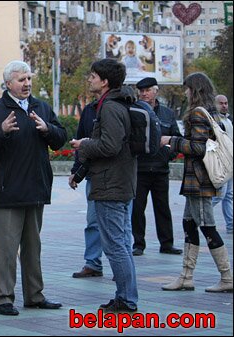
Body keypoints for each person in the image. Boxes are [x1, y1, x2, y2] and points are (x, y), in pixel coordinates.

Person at [0, 60, 67, 316]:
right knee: (5, 248)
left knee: (33, 247)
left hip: (36, 188)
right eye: (21, 80)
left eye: (29, 79)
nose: (27, 84)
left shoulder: (41, 107)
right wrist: (1, 131)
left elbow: (60, 139)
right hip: (8, 190)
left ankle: (35, 296)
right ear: (8, 84)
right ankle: (3, 298)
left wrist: (47, 129)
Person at [70, 58, 138, 312]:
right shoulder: (121, 103)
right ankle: (127, 295)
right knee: (121, 242)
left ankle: (126, 299)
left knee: (115, 245)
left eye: (93, 75)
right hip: (120, 180)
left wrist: (84, 144)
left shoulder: (110, 107)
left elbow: (109, 146)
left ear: (105, 81)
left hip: (110, 183)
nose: (89, 79)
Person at [161, 72, 233, 293]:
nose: (185, 92)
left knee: (207, 227)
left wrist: (172, 141)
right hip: (197, 182)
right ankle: (186, 276)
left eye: (187, 88)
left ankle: (227, 277)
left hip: (200, 181)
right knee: (189, 224)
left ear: (195, 90)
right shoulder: (210, 112)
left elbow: (199, 148)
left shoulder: (197, 114)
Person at [131, 77, 183, 256]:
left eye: (148, 90)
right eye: (141, 90)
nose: (144, 94)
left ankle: (167, 244)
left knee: (163, 207)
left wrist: (168, 155)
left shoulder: (167, 114)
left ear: (156, 91)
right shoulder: (134, 111)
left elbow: (177, 138)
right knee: (137, 209)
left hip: (161, 169)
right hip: (140, 169)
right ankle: (138, 244)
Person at [69, 99, 104, 278]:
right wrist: (76, 172)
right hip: (93, 175)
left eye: (93, 77)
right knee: (93, 222)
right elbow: (79, 143)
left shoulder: (120, 106)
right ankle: (93, 263)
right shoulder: (89, 109)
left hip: (118, 177)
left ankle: (122, 267)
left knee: (122, 225)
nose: (90, 80)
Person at [212, 95, 233, 234]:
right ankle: (198, 218)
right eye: (221, 103)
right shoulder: (215, 120)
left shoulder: (228, 120)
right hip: (221, 162)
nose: (224, 106)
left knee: (229, 195)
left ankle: (231, 225)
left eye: (226, 103)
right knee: (220, 194)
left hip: (230, 161)